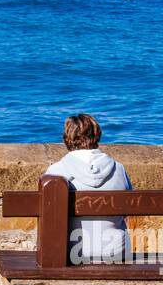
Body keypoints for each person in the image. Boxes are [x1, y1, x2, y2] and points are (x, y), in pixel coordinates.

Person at [45, 113, 130, 263]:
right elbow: (129, 207)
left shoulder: (56, 171)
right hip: (116, 250)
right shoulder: (119, 169)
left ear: (67, 138)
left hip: (73, 251)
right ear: (97, 135)